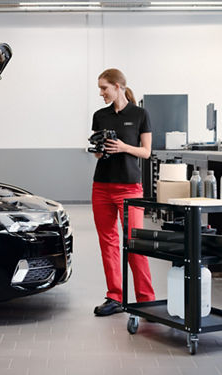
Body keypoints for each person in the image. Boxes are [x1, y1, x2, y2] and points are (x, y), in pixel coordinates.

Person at [92, 68, 155, 316]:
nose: (101, 93)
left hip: (129, 187)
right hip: (101, 186)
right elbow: (99, 151)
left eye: (104, 88)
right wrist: (99, 151)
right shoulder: (99, 116)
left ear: (118, 86)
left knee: (135, 243)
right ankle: (114, 296)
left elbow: (146, 152)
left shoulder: (140, 114)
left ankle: (146, 299)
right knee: (108, 244)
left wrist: (123, 147)